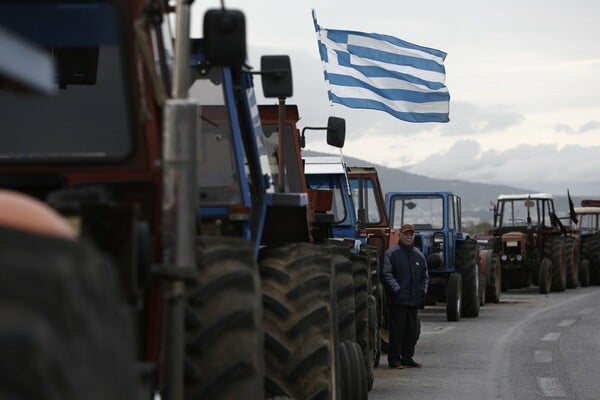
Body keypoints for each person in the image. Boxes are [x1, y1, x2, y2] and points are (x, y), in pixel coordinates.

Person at [382, 223, 429, 369]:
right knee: (397, 331)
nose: (409, 237)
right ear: (400, 235)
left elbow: (425, 277)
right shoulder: (392, 253)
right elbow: (386, 274)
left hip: (413, 300)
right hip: (398, 301)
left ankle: (408, 357)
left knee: (412, 330)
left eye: (411, 234)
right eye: (406, 234)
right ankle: (394, 359)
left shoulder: (419, 256)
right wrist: (397, 289)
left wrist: (422, 291)